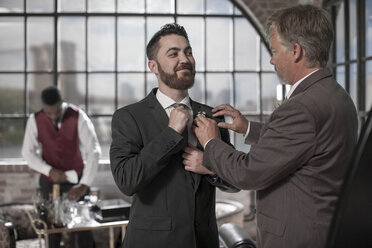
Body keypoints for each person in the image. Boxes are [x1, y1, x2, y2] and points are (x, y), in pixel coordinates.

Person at [192, 5, 359, 248]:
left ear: (296, 51)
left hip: (297, 238)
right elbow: (303, 142)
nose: (271, 59)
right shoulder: (337, 96)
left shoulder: (301, 107)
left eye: (274, 51)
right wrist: (249, 128)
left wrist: (211, 142)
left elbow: (247, 173)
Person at [110, 23, 238, 248]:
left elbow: (236, 181)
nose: (185, 58)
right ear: (153, 66)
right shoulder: (128, 117)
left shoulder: (212, 116)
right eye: (173, 53)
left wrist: (211, 166)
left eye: (188, 52)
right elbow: (127, 180)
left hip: (204, 242)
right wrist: (171, 133)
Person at [22, 86, 101, 248]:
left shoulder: (79, 117)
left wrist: (84, 184)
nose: (53, 117)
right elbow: (28, 153)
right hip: (49, 182)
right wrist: (49, 170)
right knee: (51, 230)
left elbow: (94, 151)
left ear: (61, 103)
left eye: (56, 112)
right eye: (48, 113)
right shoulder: (34, 120)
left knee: (83, 230)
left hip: (78, 181)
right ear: (43, 108)